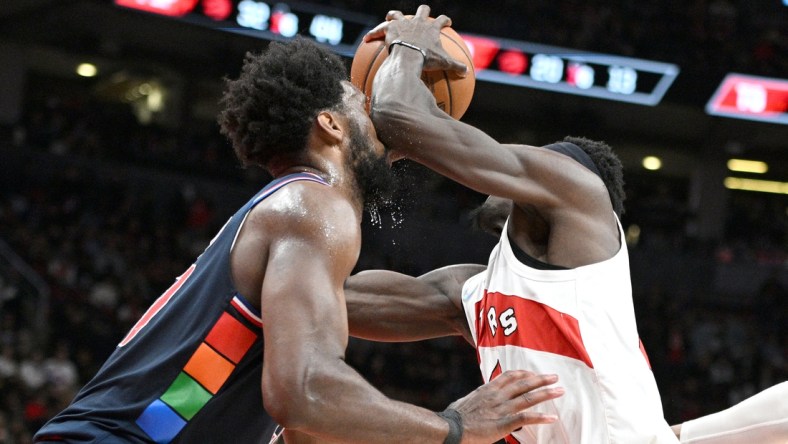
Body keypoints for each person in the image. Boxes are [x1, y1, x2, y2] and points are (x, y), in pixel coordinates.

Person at [34, 37, 563, 444]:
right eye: (362, 103)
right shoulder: (313, 207)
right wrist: (453, 426)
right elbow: (304, 390)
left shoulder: (288, 215)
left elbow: (305, 421)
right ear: (331, 126)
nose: (380, 117)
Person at [359, 5, 678, 443]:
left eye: (538, 158)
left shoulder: (576, 188)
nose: (522, 164)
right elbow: (332, 302)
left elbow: (396, 114)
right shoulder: (477, 291)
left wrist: (410, 45)